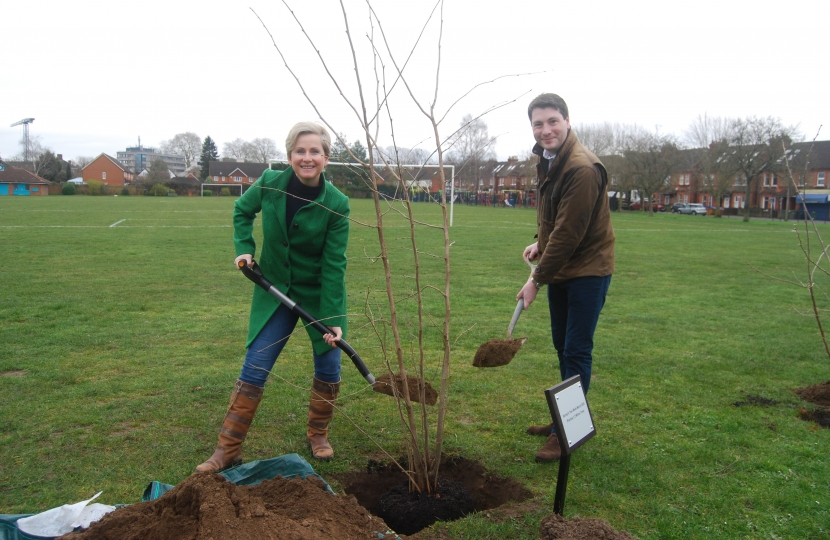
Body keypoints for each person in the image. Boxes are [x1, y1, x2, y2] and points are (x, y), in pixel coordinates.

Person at [196, 121, 350, 473]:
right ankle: (227, 450)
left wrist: (334, 321)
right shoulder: (269, 184)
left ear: (326, 158)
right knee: (256, 364)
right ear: (289, 155)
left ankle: (318, 434)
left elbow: (333, 266)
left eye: (315, 152)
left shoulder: (337, 204)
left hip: (316, 295)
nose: (307, 158)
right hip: (275, 290)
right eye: (300, 151)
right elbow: (242, 211)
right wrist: (244, 250)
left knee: (329, 364)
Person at [516, 94, 615, 463]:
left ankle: (565, 433)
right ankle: (565, 416)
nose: (546, 130)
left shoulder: (582, 168)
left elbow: (571, 234)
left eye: (553, 121)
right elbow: (557, 220)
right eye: (538, 124)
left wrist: (536, 280)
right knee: (562, 344)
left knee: (576, 349)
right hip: (564, 267)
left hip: (588, 270)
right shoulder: (549, 160)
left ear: (568, 121)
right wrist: (541, 241)